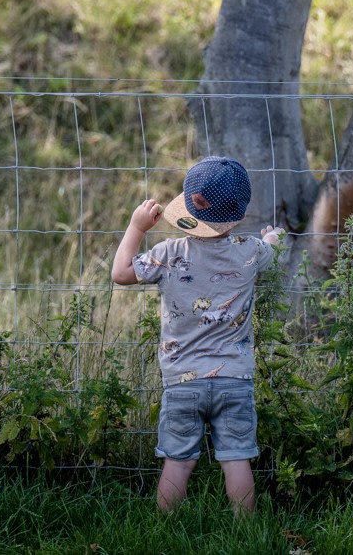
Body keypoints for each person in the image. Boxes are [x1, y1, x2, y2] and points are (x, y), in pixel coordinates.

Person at [111, 155, 284, 515]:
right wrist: (273, 238)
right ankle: (247, 530)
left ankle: (165, 527)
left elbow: (121, 273)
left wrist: (136, 227)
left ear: (187, 208)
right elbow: (273, 251)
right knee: (236, 459)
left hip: (180, 381)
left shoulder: (168, 253)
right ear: (237, 214)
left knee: (178, 461)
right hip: (234, 379)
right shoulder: (251, 252)